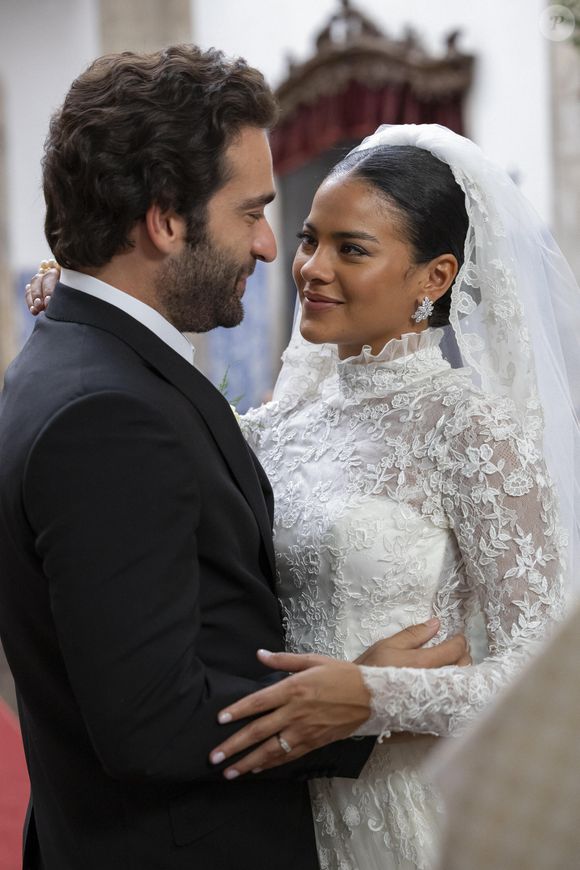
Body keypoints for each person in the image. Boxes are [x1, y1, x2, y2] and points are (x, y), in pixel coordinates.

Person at [29, 123, 578, 869]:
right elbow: (154, 439)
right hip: (277, 801)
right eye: (309, 239)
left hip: (402, 806)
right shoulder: (274, 423)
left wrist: (377, 696)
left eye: (352, 249)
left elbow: (540, 680)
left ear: (434, 277)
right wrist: (82, 295)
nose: (311, 268)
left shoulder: (470, 430)